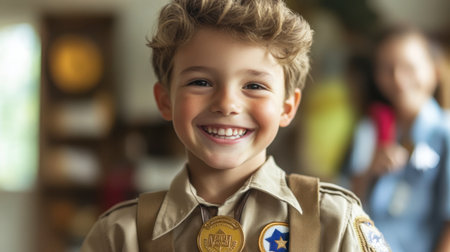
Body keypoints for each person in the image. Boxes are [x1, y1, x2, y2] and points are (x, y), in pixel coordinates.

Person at [81, 0, 389, 251]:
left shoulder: (335, 224)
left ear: (287, 107)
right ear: (165, 101)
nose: (227, 104)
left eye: (254, 85)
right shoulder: (120, 236)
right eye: (200, 82)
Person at [347, 26, 450, 252]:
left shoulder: (445, 133)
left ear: (435, 70)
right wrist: (371, 170)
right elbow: (348, 199)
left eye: (409, 68)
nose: (398, 79)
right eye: (387, 69)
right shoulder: (370, 129)